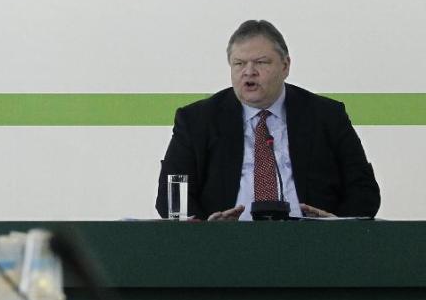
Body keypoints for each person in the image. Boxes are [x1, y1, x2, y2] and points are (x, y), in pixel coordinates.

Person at [156, 20, 381, 221]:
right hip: (225, 249)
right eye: (239, 64)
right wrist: (206, 230)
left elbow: (364, 192)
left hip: (312, 246)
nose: (249, 72)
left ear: (285, 66)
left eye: (261, 62)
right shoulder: (197, 120)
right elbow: (171, 199)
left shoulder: (326, 116)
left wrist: (336, 225)